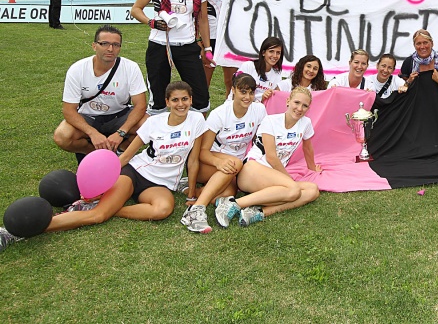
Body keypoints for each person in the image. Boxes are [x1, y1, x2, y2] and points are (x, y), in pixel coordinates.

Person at [0, 82, 209, 248]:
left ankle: (113, 209)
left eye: (185, 99)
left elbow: (192, 160)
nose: (181, 104)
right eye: (175, 100)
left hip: (161, 184)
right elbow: (127, 156)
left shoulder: (197, 120)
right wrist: (106, 179)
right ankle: (17, 232)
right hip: (135, 172)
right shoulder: (154, 123)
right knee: (98, 216)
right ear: (167, 102)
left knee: (162, 210)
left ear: (191, 100)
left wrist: (191, 194)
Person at [214, 87, 321, 227]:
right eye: (296, 102)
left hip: (274, 176)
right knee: (293, 190)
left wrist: (312, 168)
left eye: (305, 105)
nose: (300, 108)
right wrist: (289, 181)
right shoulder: (270, 120)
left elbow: (308, 148)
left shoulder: (306, 123)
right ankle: (232, 203)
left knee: (313, 191)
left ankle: (259, 212)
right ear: (288, 101)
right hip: (252, 170)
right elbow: (271, 157)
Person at [130, 0, 213, 114]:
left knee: (201, 96)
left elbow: (203, 20)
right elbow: (136, 9)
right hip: (160, 45)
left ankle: (195, 130)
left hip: (187, 45)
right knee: (158, 97)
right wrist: (152, 22)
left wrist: (207, 48)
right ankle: (159, 130)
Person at [180, 73, 267, 230]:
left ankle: (189, 189)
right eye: (243, 92)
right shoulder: (219, 114)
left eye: (251, 92)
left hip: (234, 167)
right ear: (233, 90)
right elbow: (202, 151)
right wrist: (218, 163)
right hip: (208, 163)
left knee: (228, 194)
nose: (247, 97)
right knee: (235, 163)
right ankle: (196, 210)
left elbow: (259, 140)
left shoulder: (259, 110)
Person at [54, 25, 147, 164]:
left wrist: (121, 132)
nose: (110, 49)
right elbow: (68, 110)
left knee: (149, 125)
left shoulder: (130, 67)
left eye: (115, 45)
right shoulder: (77, 69)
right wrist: (92, 133)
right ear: (94, 46)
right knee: (62, 135)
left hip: (119, 115)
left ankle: (121, 150)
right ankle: (94, 153)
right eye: (104, 44)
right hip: (89, 117)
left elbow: (140, 105)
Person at [198, 0, 236, 93]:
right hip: (210, 38)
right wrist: (201, 43)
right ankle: (202, 108)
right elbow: (197, 17)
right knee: (203, 84)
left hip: (228, 38)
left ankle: (231, 109)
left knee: (232, 83)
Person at [232, 37, 284, 103]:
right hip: (238, 104)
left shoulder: (277, 75)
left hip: (259, 108)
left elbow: (272, 101)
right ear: (263, 52)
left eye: (278, 53)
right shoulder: (248, 66)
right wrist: (261, 97)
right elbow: (238, 92)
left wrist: (266, 98)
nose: (275, 56)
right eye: (271, 51)